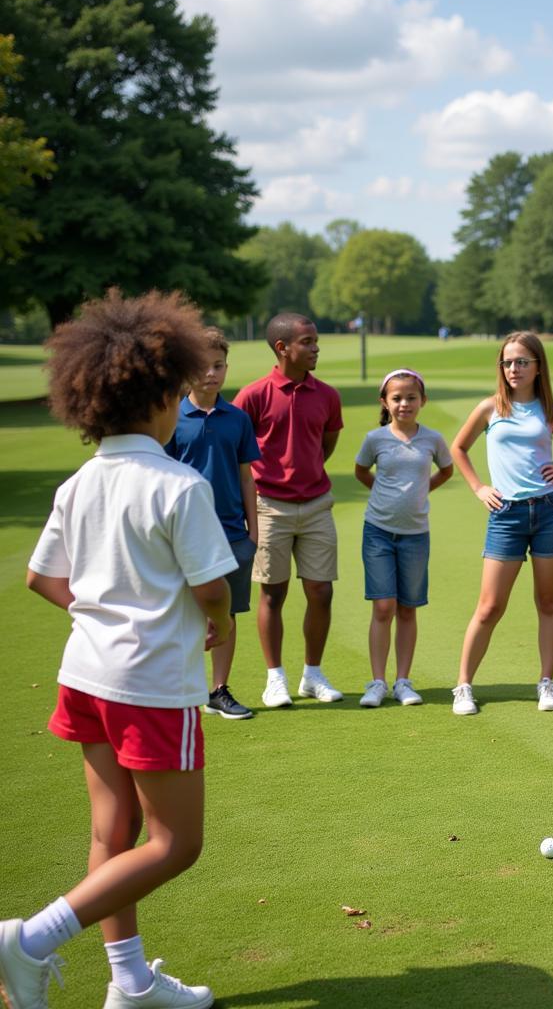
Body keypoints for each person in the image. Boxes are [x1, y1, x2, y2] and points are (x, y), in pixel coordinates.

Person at [0, 290, 236, 1009]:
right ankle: (28, 941)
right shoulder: (180, 484)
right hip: (151, 685)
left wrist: (102, 616)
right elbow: (213, 589)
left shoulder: (79, 483)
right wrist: (216, 624)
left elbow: (42, 577)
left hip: (86, 675)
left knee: (115, 831)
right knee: (174, 843)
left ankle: (130, 983)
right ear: (163, 394)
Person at [450, 332, 553, 715]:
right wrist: (478, 488)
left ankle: (547, 681)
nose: (514, 369)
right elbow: (458, 447)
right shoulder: (490, 408)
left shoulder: (552, 411)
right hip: (506, 514)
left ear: (538, 367)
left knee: (548, 601)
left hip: (550, 510)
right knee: (490, 607)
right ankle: (464, 686)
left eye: (522, 361)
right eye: (507, 362)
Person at [234, 313, 344, 709]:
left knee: (321, 591)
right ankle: (274, 678)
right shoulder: (253, 395)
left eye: (316, 341)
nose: (316, 348)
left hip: (316, 504)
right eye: (308, 342)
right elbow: (238, 453)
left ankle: (312, 675)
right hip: (269, 506)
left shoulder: (328, 395)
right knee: (272, 594)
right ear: (283, 348)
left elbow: (325, 445)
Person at [165, 327, 261, 720]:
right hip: (184, 531)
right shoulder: (171, 417)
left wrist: (254, 531)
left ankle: (218, 690)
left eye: (218, 365)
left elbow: (245, 476)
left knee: (228, 613)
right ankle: (182, 689)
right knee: (183, 612)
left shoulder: (237, 419)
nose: (211, 373)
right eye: (203, 366)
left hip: (233, 533)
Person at [354, 369, 454, 707]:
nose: (404, 404)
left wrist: (423, 490)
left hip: (415, 535)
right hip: (378, 532)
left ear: (422, 401)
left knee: (408, 609)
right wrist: (382, 494)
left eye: (411, 397)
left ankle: (402, 681)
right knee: (383, 606)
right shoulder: (375, 439)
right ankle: (378, 682)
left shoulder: (433, 439)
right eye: (396, 398)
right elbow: (360, 471)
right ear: (385, 401)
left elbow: (447, 469)